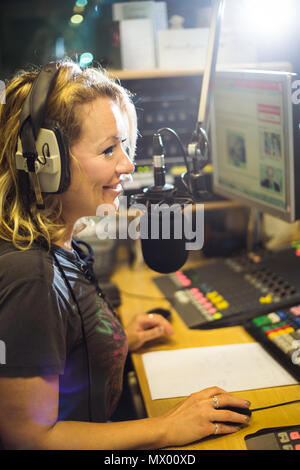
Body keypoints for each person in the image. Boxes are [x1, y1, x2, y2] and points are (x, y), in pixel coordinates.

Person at [0, 59, 251, 450]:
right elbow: (28, 437)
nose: (128, 165)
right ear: (46, 163)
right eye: (108, 150)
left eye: (125, 145)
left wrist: (111, 343)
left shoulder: (61, 243)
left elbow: (52, 347)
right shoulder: (31, 275)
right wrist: (167, 428)